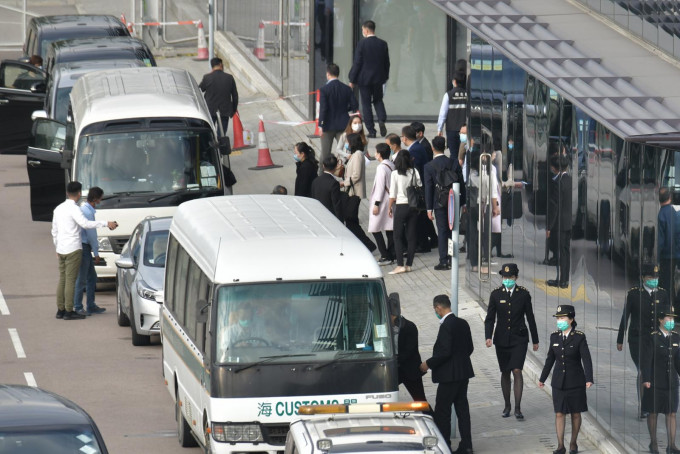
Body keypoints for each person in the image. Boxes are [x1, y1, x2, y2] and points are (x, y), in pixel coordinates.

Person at [52, 182, 117, 320]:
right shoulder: (75, 209)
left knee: (63, 279)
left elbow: (54, 231)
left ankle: (60, 309)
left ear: (66, 193)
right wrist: (106, 223)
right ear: (80, 193)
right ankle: (70, 310)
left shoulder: (58, 209)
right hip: (73, 248)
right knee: (72, 280)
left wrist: (57, 247)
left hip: (62, 248)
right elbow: (86, 224)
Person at [420, 294, 474, 454]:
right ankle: (467, 445)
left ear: (438, 307)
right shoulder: (463, 323)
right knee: (462, 409)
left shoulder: (446, 326)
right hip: (463, 373)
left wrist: (427, 364)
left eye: (435, 309)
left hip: (449, 377)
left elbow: (444, 352)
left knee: (443, 411)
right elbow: (469, 348)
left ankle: (444, 446)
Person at [485, 264, 539, 419]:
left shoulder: (523, 294)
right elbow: (490, 319)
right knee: (505, 371)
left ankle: (517, 408)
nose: (507, 280)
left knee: (517, 370)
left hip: (519, 338)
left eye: (510, 277)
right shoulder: (496, 294)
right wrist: (488, 336)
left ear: (516, 278)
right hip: (501, 339)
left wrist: (535, 340)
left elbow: (530, 318)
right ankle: (507, 405)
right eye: (505, 277)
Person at [539, 305, 593, 454]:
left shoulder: (579, 337)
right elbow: (550, 359)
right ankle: (560, 446)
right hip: (559, 382)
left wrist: (589, 378)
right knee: (559, 413)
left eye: (562, 318)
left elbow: (586, 359)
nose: (559, 321)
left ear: (571, 319)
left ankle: (573, 443)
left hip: (576, 382)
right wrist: (542, 378)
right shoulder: (554, 336)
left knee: (576, 413)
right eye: (558, 318)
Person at [617, 263, 669, 419]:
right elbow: (625, 316)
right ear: (642, 278)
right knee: (642, 370)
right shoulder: (634, 294)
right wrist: (620, 338)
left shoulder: (663, 294)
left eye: (656, 277)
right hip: (637, 339)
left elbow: (666, 319)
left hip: (655, 339)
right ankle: (644, 407)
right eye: (650, 277)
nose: (654, 279)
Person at [641, 305, 680, 454]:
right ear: (660, 319)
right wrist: (646, 378)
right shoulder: (652, 337)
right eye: (668, 318)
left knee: (671, 413)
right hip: (655, 382)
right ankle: (654, 444)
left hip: (671, 382)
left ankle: (671, 445)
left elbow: (678, 360)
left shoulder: (676, 337)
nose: (671, 321)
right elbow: (646, 360)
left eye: (673, 318)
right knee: (653, 412)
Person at [348, 20, 390, 138]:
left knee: (366, 104)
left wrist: (352, 78)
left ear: (366, 30)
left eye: (362, 30)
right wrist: (385, 76)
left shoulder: (362, 44)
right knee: (378, 100)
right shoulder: (383, 44)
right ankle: (381, 119)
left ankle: (371, 131)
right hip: (378, 78)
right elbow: (387, 63)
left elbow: (358, 63)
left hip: (364, 79)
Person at [424, 136, 457, 270]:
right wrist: (463, 203)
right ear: (445, 147)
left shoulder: (429, 166)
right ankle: (452, 257)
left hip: (439, 202)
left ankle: (444, 260)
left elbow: (428, 188)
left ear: (433, 148)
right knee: (452, 230)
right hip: (453, 200)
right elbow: (460, 183)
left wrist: (429, 208)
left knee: (442, 230)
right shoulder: (454, 163)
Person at [319, 63, 359, 175]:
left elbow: (323, 109)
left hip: (328, 125)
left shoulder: (324, 89)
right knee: (345, 151)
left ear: (328, 74)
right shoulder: (347, 89)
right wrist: (345, 109)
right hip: (343, 124)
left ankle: (321, 176)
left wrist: (320, 125)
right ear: (338, 74)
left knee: (325, 153)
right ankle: (347, 174)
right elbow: (354, 105)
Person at [388, 293, 428, 403]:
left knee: (420, 400)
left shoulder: (409, 327)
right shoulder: (385, 328)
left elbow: (409, 350)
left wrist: (395, 360)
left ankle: (433, 419)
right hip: (394, 368)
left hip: (409, 370)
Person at [73, 187, 107, 316]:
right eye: (100, 198)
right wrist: (97, 253)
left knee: (92, 277)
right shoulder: (87, 212)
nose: (101, 200)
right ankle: (78, 306)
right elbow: (91, 234)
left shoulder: (86, 209)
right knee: (82, 279)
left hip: (84, 246)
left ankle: (91, 305)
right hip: (84, 247)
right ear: (95, 199)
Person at [388, 151, 419, 275]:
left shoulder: (395, 174)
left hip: (401, 206)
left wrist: (389, 207)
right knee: (411, 236)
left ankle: (400, 264)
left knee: (397, 236)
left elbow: (392, 193)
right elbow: (419, 186)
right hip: (413, 206)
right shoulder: (414, 172)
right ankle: (409, 264)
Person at [546, 155, 572, 289]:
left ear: (556, 168)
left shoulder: (559, 183)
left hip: (560, 223)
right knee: (566, 252)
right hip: (568, 222)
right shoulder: (569, 180)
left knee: (561, 252)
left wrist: (549, 226)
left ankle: (561, 281)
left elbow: (555, 207)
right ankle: (565, 279)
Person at [369, 143, 395, 265]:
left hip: (382, 201)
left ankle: (385, 255)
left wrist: (376, 204)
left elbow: (379, 187)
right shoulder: (391, 165)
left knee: (375, 228)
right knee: (390, 228)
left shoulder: (381, 168)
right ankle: (392, 254)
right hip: (390, 199)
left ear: (379, 154)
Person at [199, 57, 238, 136]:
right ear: (220, 65)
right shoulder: (229, 78)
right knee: (222, 134)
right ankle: (220, 146)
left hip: (210, 110)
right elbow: (235, 95)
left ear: (212, 66)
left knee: (210, 133)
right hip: (225, 111)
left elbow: (200, 89)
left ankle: (213, 146)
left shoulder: (207, 77)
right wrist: (233, 110)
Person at [438, 71, 468, 157]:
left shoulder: (448, 95)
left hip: (452, 130)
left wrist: (440, 128)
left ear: (454, 81)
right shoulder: (468, 95)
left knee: (454, 154)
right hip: (465, 130)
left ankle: (455, 170)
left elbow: (442, 113)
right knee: (464, 154)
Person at [658, 187, 680, 301]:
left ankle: (666, 309)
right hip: (678, 254)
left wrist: (656, 259)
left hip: (667, 257)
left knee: (666, 285)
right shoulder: (677, 213)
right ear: (670, 197)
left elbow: (660, 241)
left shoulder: (661, 215)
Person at [311, 155, 344, 221]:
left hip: (317, 215)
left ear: (323, 166)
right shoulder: (334, 183)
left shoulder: (316, 180)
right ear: (336, 167)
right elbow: (336, 205)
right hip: (330, 217)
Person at [341, 133, 367, 199]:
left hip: (355, 191)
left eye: (347, 142)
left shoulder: (358, 154)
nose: (346, 144)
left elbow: (356, 175)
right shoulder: (354, 154)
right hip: (352, 189)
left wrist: (344, 183)